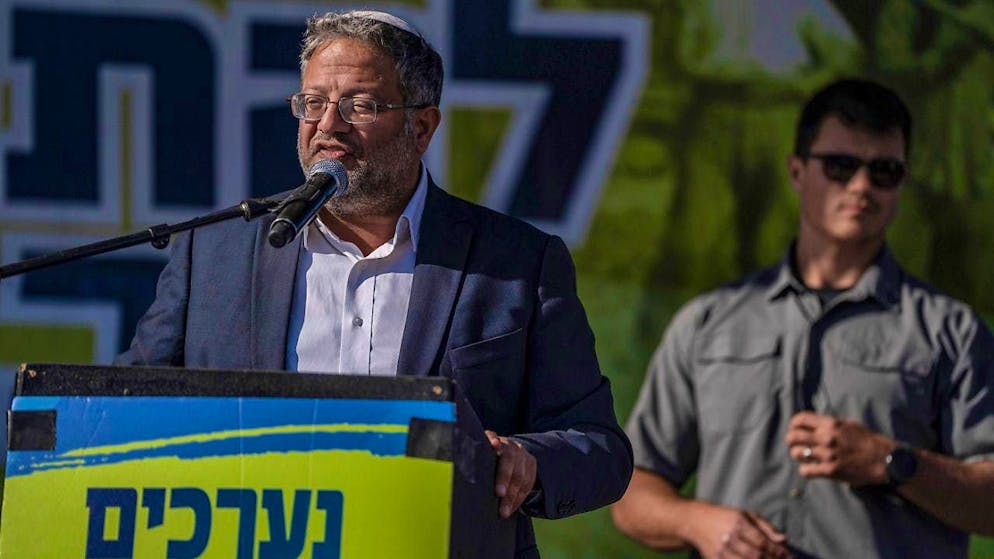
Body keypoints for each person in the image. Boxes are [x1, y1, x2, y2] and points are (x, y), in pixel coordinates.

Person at [115, 10, 632, 556]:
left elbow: (598, 447)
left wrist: (526, 461)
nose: (327, 126)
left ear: (422, 126)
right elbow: (126, 408)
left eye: (359, 105)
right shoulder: (214, 252)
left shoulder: (517, 263)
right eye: (313, 103)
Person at [612, 79, 994, 558]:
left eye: (885, 171)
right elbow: (632, 490)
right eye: (840, 165)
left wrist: (892, 462)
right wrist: (698, 523)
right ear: (796, 171)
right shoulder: (707, 322)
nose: (861, 186)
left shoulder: (952, 333)